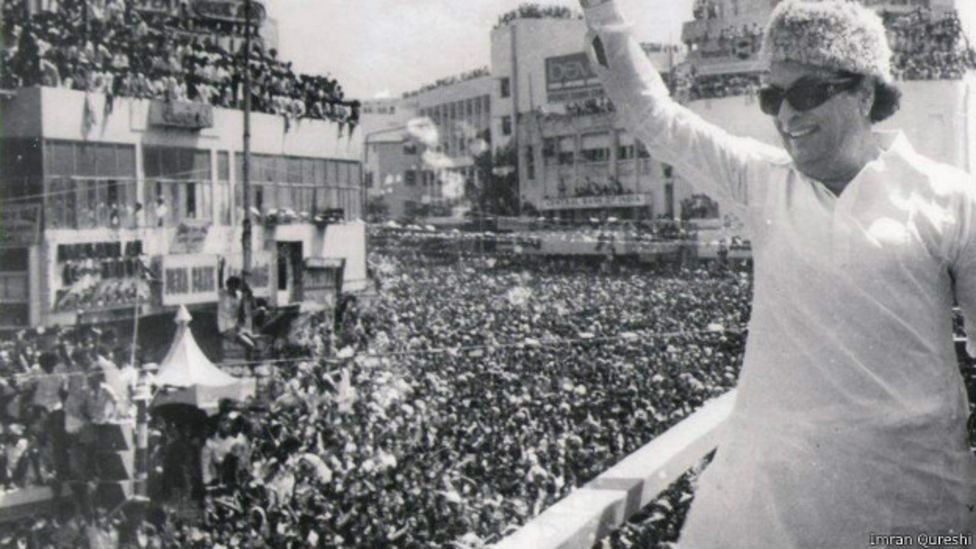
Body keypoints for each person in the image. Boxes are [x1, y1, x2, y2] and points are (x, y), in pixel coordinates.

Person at [578, 0, 976, 546]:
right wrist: (602, 12)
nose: (787, 116)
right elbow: (656, 117)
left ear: (865, 92)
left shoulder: (952, 200)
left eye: (808, 93)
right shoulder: (762, 182)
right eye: (773, 98)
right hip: (770, 507)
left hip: (913, 502)